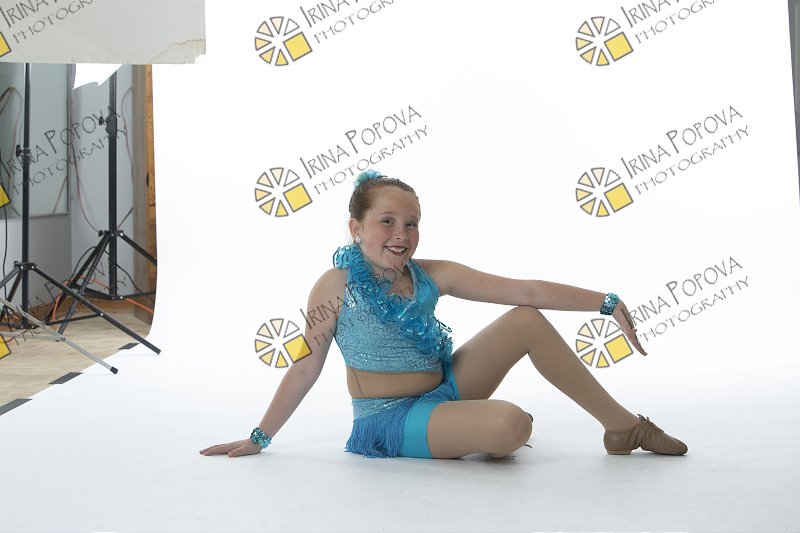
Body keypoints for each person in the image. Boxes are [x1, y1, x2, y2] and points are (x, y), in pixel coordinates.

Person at [200, 170, 687, 460]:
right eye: (387, 221)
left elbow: (526, 290)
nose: (401, 234)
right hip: (389, 419)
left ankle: (623, 426)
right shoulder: (335, 286)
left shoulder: (433, 274)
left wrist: (605, 302)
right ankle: (479, 428)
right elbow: (306, 366)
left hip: (446, 389)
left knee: (526, 319)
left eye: (411, 223)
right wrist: (259, 437)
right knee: (511, 425)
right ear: (356, 228)